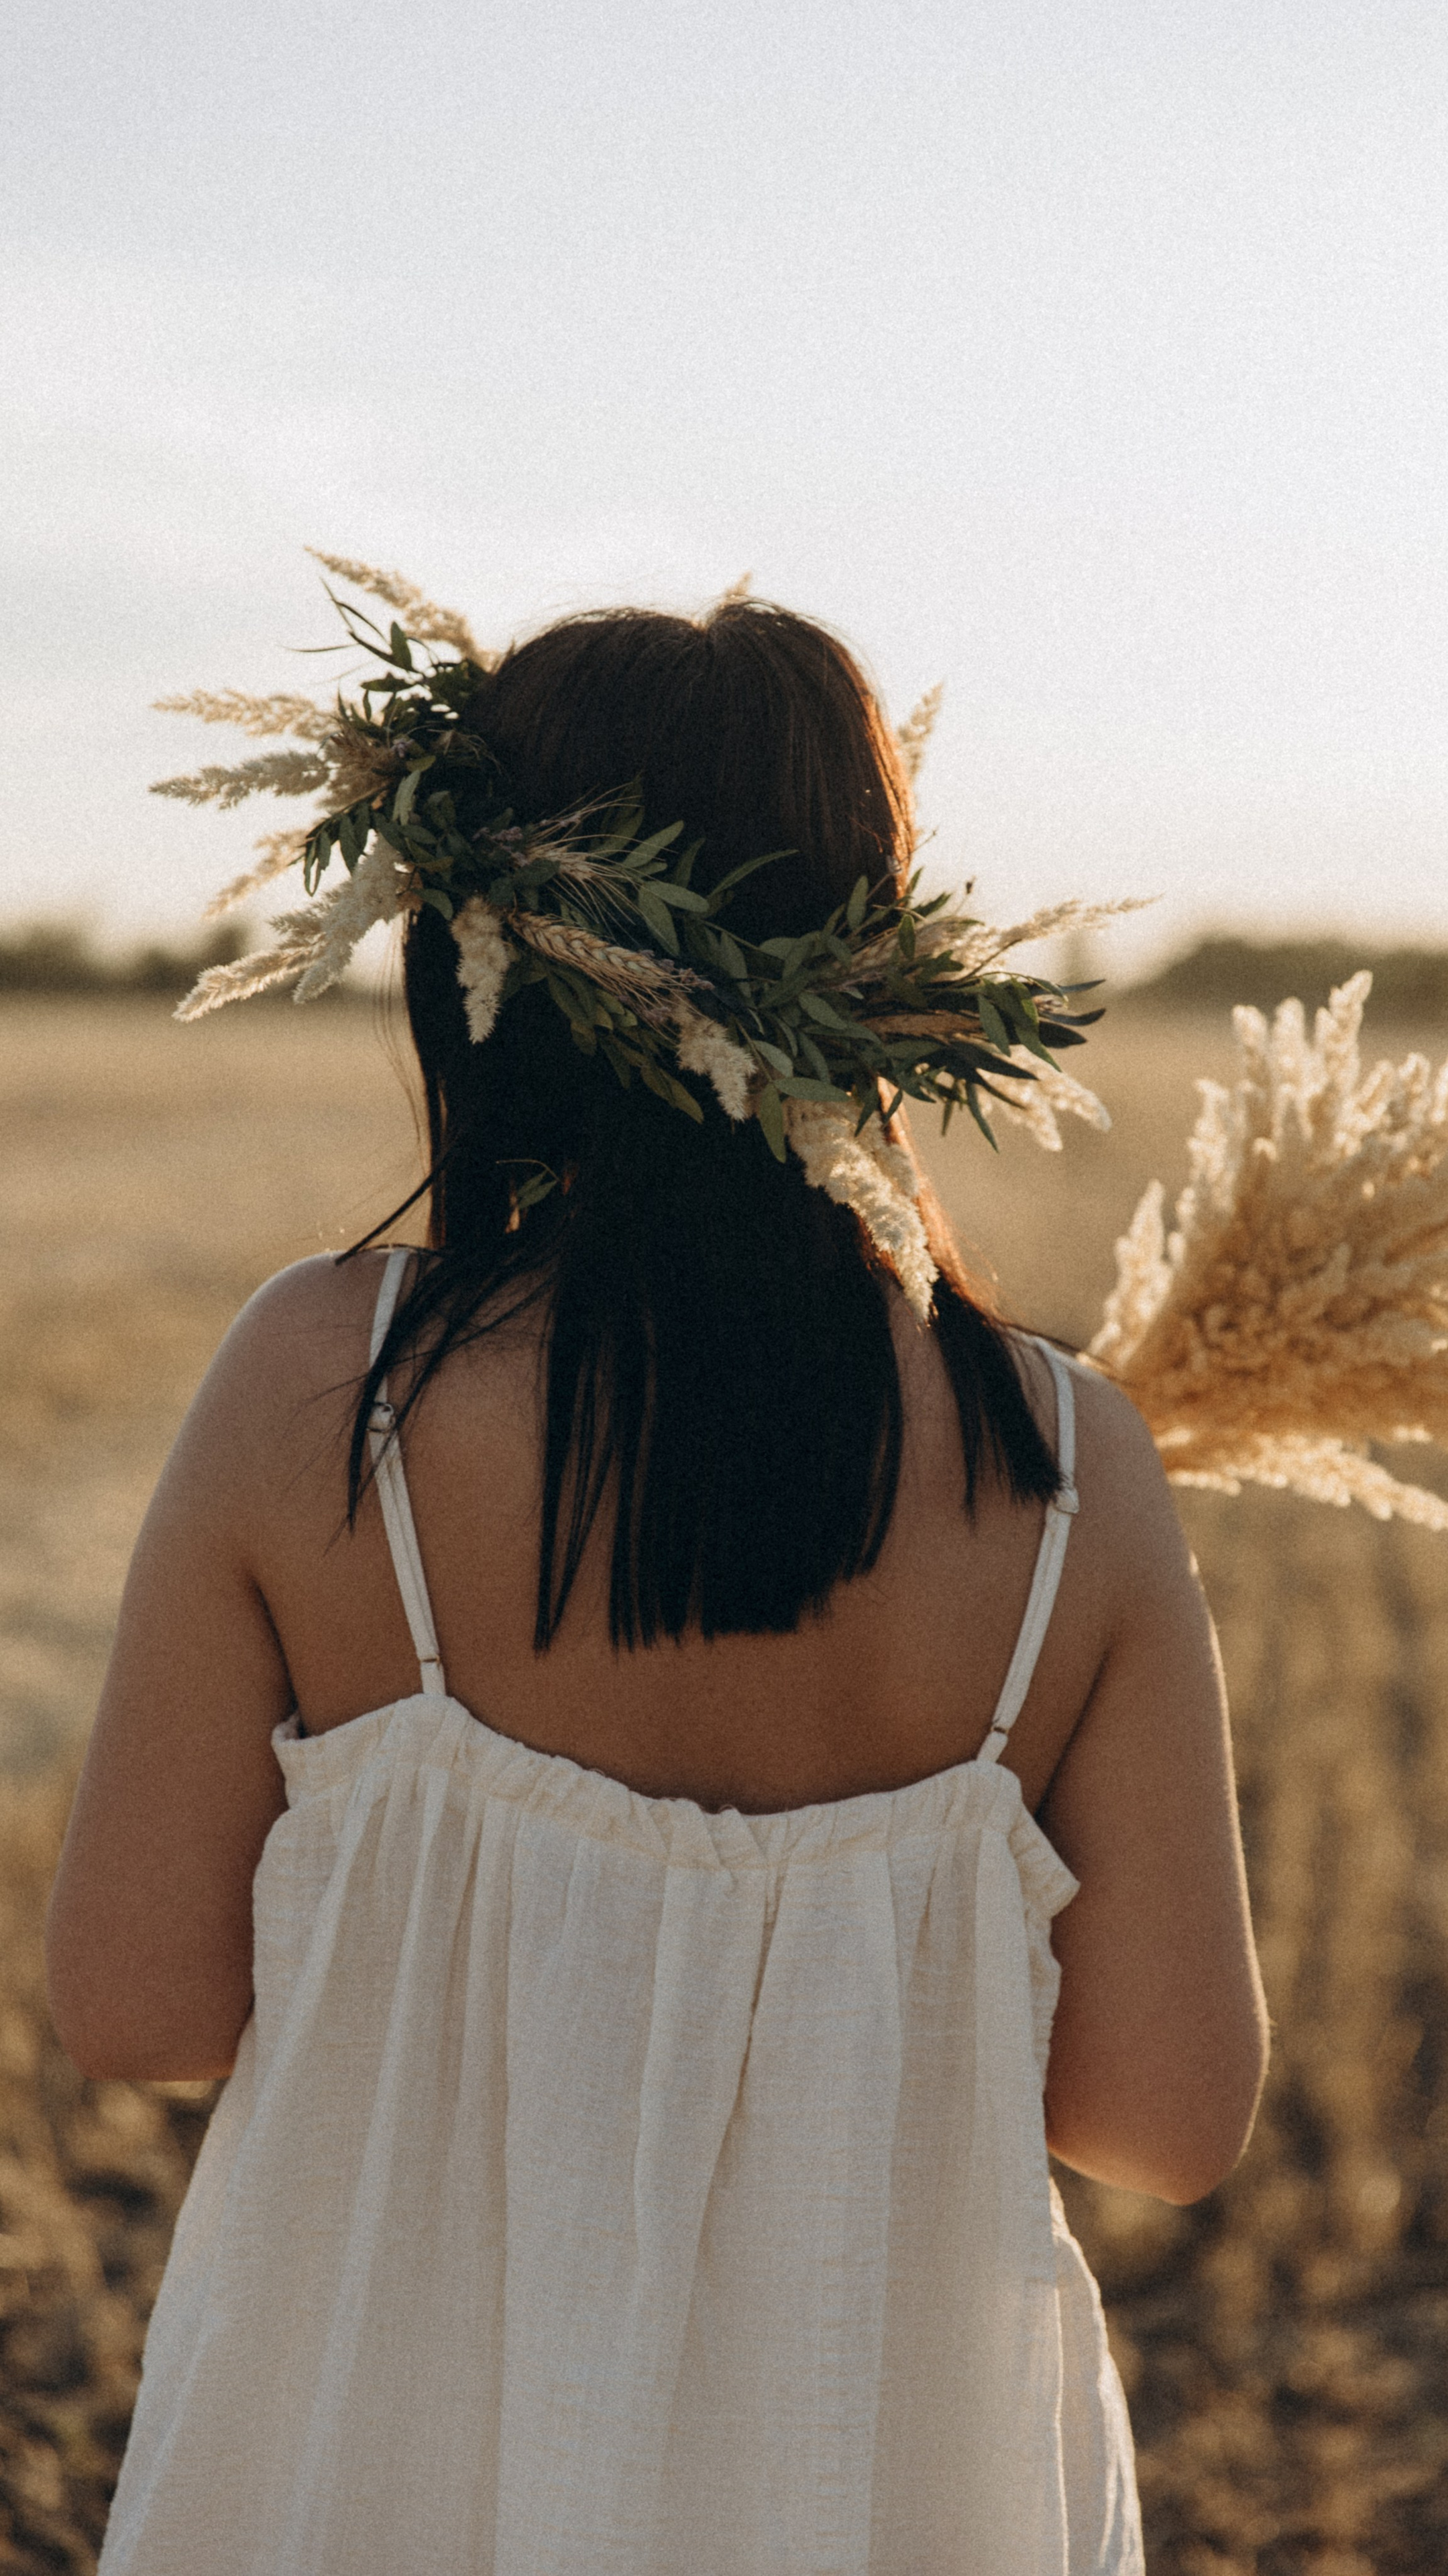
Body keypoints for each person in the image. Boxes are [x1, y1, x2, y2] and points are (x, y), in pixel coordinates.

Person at [46, 594, 1269, 2575]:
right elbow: (1170, 2115)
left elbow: (132, 2006)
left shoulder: (319, 1382)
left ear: (479, 948)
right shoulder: (1066, 1466)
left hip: (367, 2472)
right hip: (876, 2491)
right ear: (868, 961)